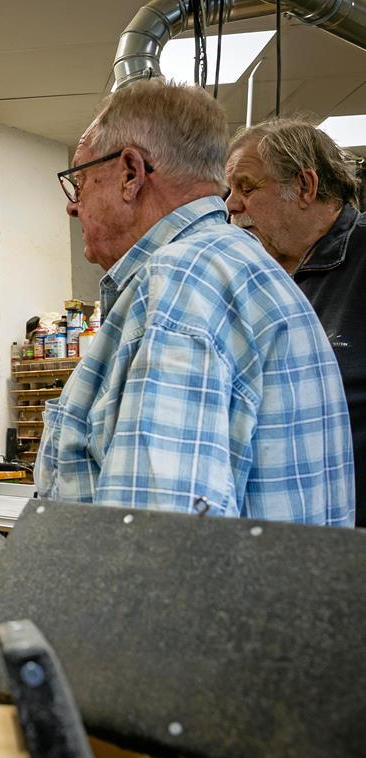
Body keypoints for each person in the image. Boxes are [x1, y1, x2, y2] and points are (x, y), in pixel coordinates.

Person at [36, 81, 354, 526]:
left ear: (131, 172)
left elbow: (157, 545)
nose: (74, 207)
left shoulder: (183, 284)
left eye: (81, 180)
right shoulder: (238, 268)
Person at [225, 119, 365, 526]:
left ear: (304, 186)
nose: (231, 205)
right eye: (230, 190)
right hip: (287, 540)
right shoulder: (255, 277)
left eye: (247, 188)